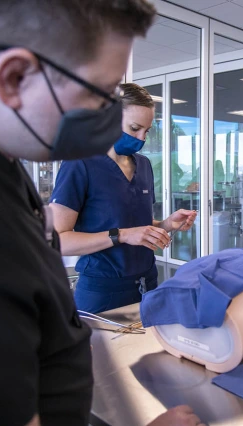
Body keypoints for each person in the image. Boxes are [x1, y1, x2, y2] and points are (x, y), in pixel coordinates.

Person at [0, 1, 203, 425]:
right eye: (98, 97)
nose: (104, 120)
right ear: (14, 78)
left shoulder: (5, 170)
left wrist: (156, 227)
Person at [50, 83, 197, 314]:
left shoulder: (144, 166)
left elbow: (139, 227)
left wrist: (166, 225)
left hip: (146, 283)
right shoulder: (80, 164)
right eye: (134, 128)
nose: (141, 138)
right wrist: (122, 235)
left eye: (147, 131)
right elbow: (59, 241)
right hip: (102, 289)